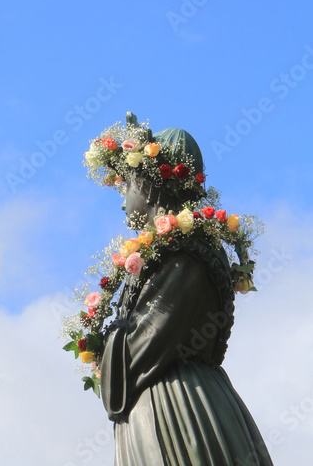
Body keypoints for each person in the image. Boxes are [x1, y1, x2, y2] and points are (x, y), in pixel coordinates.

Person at [99, 124, 273, 466]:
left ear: (148, 185)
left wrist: (108, 346)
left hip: (179, 405)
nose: (123, 202)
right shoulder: (171, 250)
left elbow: (138, 354)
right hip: (169, 400)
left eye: (126, 187)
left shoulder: (184, 251)